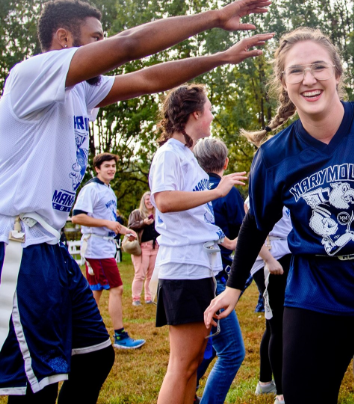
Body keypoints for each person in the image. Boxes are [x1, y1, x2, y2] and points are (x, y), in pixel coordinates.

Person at [0, 0, 271, 400]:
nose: (103, 48)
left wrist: (220, 58)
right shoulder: (33, 75)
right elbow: (130, 45)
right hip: (15, 245)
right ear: (64, 39)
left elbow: (148, 78)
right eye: (95, 39)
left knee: (95, 356)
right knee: (35, 385)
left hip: (47, 248)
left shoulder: (81, 92)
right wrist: (214, 17)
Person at [204, 27, 354, 404]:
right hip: (316, 299)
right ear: (284, 83)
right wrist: (233, 288)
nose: (309, 79)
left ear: (337, 73)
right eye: (296, 71)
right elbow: (256, 224)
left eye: (319, 67)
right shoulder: (274, 155)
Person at [150, 84, 248, 404]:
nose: (211, 115)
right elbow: (163, 201)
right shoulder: (168, 154)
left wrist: (225, 241)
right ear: (195, 114)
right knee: (181, 365)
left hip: (198, 267)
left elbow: (197, 220)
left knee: (193, 363)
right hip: (183, 269)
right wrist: (217, 192)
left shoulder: (186, 156)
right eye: (208, 109)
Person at [191, 137, 246, 404]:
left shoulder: (190, 189)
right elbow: (242, 230)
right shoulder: (228, 192)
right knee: (231, 352)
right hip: (216, 274)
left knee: (204, 346)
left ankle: (186, 391)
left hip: (189, 273)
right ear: (225, 163)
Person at [72, 153, 145, 349]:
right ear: (97, 169)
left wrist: (125, 230)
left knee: (94, 292)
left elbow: (110, 222)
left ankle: (82, 333)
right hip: (96, 248)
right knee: (117, 288)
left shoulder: (108, 190)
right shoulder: (91, 189)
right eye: (107, 166)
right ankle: (120, 335)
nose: (111, 169)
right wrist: (107, 223)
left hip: (103, 246)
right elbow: (77, 217)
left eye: (113, 166)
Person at [244, 199, 293, 404]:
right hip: (270, 259)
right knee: (279, 326)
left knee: (272, 323)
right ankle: (281, 395)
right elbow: (251, 232)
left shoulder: (291, 182)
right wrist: (268, 259)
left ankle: (265, 383)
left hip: (286, 254)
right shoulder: (261, 188)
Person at [128, 191, 160, 305]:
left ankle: (149, 298)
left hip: (155, 246)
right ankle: (136, 299)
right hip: (142, 247)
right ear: (143, 201)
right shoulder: (137, 213)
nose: (149, 201)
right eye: (147, 199)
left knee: (151, 275)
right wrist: (143, 223)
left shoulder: (158, 213)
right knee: (140, 274)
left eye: (151, 199)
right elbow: (131, 226)